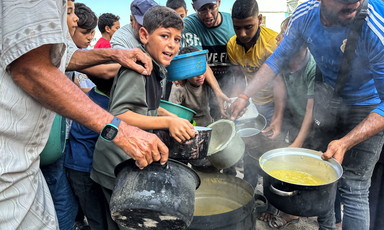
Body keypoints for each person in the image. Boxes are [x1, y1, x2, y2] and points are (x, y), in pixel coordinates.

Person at [0, 0, 168, 229]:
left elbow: (63, 58)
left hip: (29, 161)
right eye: (67, 11)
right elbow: (31, 68)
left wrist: (115, 54)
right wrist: (119, 129)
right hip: (8, 162)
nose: (75, 18)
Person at [230, 0, 384, 229]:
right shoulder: (305, 15)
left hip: (368, 107)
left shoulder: (375, 25)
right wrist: (244, 96)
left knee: (353, 187)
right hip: (328, 97)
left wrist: (345, 143)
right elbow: (277, 60)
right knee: (325, 177)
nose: (353, 5)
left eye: (356, 3)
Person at [91, 6, 194, 229]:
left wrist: (168, 114)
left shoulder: (155, 68)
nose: (172, 45)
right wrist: (168, 122)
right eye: (165, 36)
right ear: (145, 35)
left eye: (177, 39)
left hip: (128, 158)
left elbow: (146, 107)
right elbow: (121, 114)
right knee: (122, 221)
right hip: (114, 164)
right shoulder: (138, 68)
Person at [259, 15, 317, 229]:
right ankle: (287, 209)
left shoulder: (313, 65)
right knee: (288, 160)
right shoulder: (282, 60)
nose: (279, 40)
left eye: (284, 36)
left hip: (315, 121)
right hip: (294, 117)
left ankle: (326, 217)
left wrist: (296, 144)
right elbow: (280, 91)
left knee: (307, 165)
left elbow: (312, 110)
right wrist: (277, 120)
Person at [64, 75, 114, 230]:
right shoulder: (105, 107)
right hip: (83, 167)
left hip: (77, 163)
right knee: (96, 216)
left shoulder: (92, 95)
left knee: (96, 213)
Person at [182, 0, 235, 119]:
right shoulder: (190, 25)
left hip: (229, 84)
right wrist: (217, 91)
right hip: (204, 88)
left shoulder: (233, 23)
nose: (208, 15)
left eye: (212, 7)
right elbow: (199, 60)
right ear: (194, 8)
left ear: (219, 2)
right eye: (202, 10)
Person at [168, 46, 214, 127]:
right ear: (185, 72)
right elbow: (172, 113)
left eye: (200, 69)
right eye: (194, 72)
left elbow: (216, 106)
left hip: (209, 124)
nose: (200, 76)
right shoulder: (179, 87)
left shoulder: (208, 83)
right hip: (189, 127)